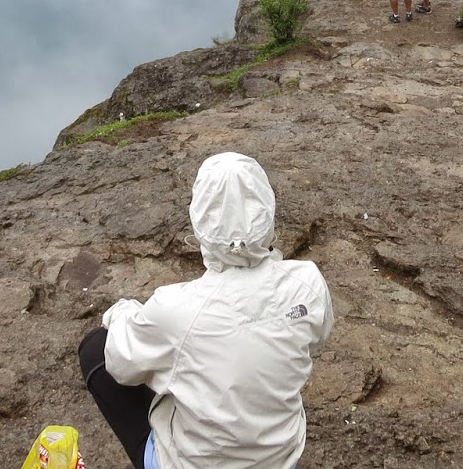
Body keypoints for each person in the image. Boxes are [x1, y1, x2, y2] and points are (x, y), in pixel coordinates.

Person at [79, 153, 333, 469]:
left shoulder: (174, 310)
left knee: (95, 349)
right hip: (280, 458)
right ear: (266, 208)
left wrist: (121, 312)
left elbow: (120, 363)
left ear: (200, 218)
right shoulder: (306, 281)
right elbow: (316, 338)